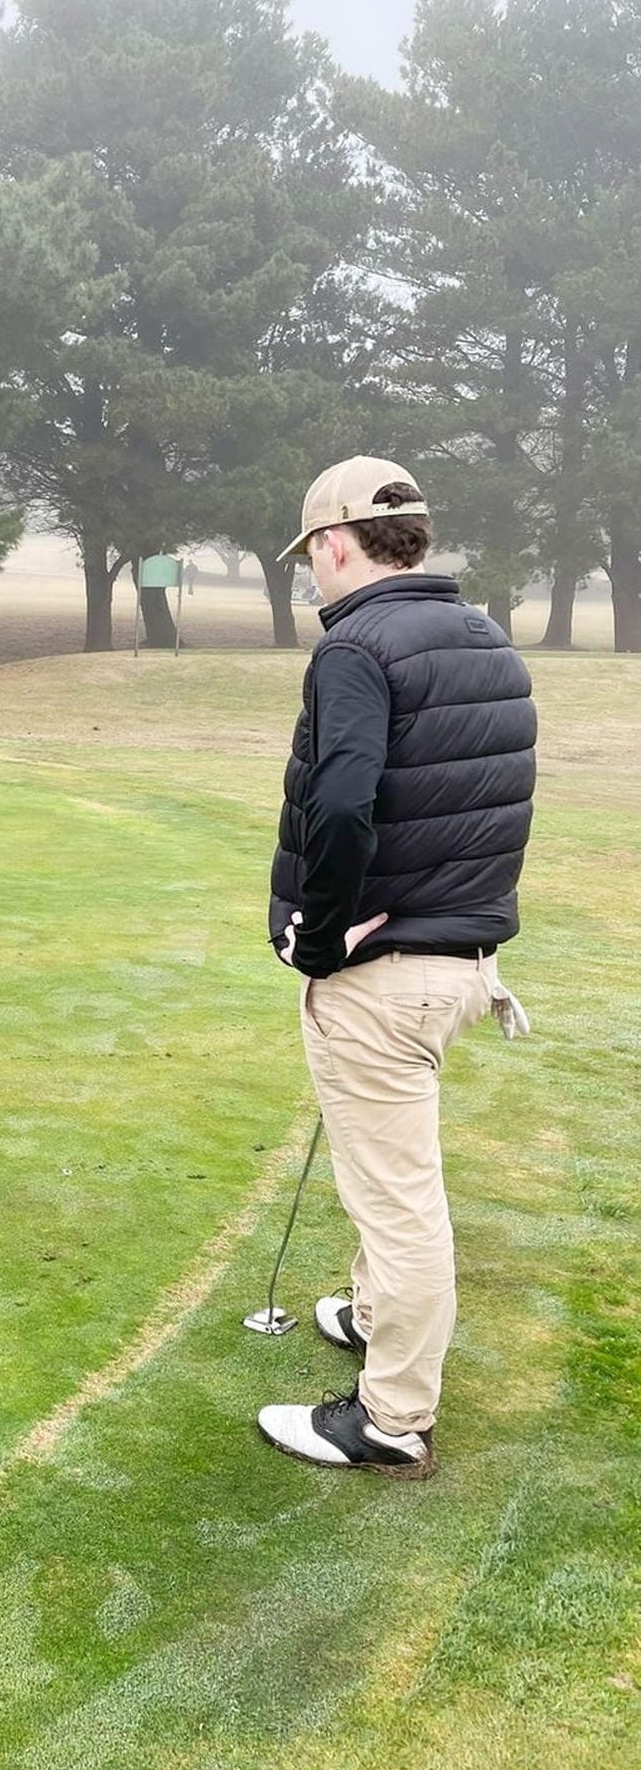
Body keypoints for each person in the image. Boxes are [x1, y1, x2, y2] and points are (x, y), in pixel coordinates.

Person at [257, 457, 536, 1478]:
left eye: (310, 556)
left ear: (335, 543)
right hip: (462, 963)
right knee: (388, 1176)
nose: (311, 574)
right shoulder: (487, 638)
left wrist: (321, 937)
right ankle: (372, 1312)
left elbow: (341, 805)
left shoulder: (357, 648)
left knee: (398, 1198)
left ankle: (391, 1416)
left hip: (384, 971)